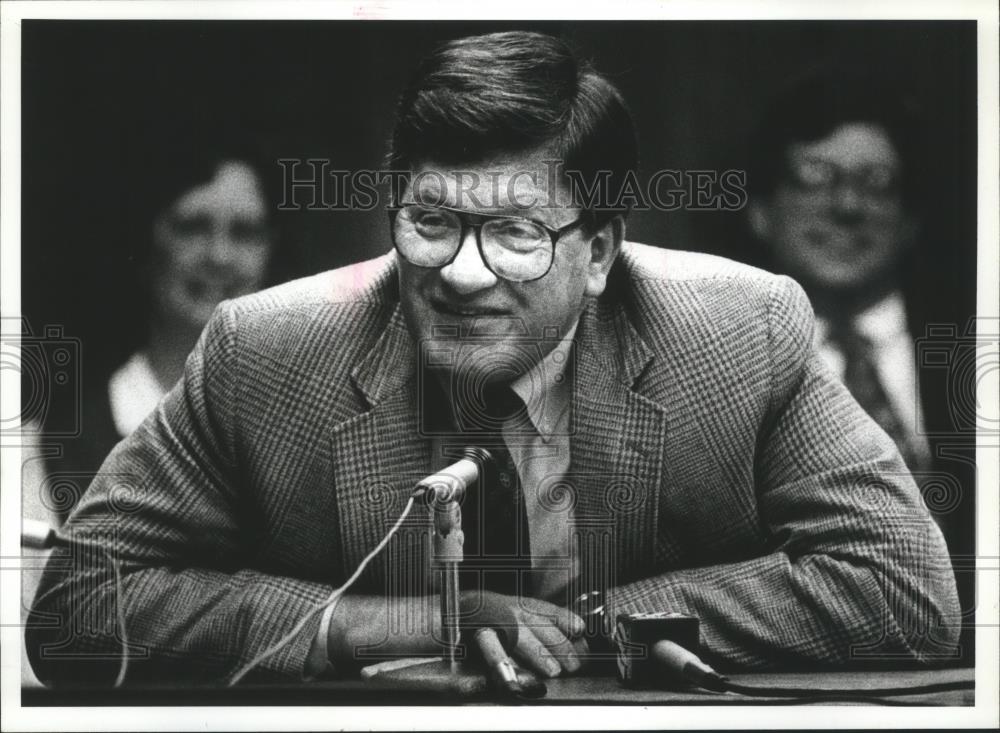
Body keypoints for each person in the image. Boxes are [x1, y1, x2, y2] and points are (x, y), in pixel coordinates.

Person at [27, 32, 959, 687]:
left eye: (516, 233)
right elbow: (77, 608)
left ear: (597, 252)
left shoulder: (736, 332)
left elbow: (903, 589)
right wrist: (389, 623)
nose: (463, 274)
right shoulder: (265, 351)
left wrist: (593, 626)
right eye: (431, 222)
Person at [742, 72, 975, 659]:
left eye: (876, 182)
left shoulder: (975, 350)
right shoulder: (723, 361)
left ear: (911, 218)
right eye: (815, 178)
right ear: (762, 211)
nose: (847, 206)